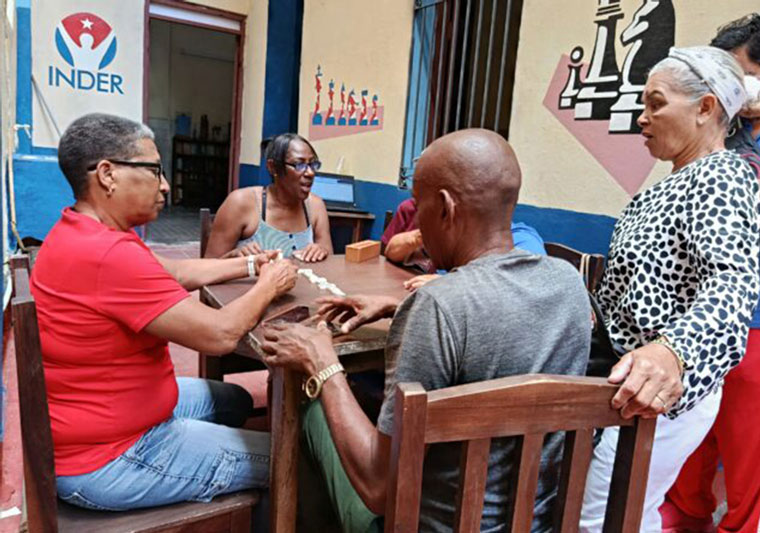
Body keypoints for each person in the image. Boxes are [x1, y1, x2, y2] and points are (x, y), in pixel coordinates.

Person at [260, 129, 591, 532]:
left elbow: (379, 487)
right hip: (533, 524)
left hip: (422, 524)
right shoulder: (568, 284)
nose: (415, 220)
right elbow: (499, 318)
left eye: (419, 206)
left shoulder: (437, 307)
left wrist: (322, 361)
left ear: (447, 208)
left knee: (309, 404)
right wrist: (398, 305)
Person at [30, 113, 298, 512]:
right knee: (288, 456)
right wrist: (270, 285)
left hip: (98, 418)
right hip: (110, 457)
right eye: (154, 170)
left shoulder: (85, 232)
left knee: (235, 401)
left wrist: (248, 266)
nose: (166, 185)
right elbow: (220, 335)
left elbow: (174, 271)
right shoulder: (108, 255)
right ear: (107, 174)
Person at [578, 46, 760, 532]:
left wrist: (674, 353)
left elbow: (733, 279)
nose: (643, 118)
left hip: (657, 388)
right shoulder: (670, 184)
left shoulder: (722, 176)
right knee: (626, 513)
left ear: (706, 108)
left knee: (599, 518)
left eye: (655, 103)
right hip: (627, 382)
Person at [664, 15, 760, 533]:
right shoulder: (724, 120)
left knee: (752, 469)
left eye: (743, 73)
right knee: (685, 460)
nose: (735, 88)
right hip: (700, 316)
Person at [204, 133, 333, 262]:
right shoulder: (240, 203)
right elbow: (207, 268)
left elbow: (331, 262)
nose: (310, 173)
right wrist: (235, 257)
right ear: (272, 167)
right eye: (299, 165)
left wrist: (321, 251)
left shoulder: (315, 206)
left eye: (313, 164)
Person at [382, 198, 547, 291]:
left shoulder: (523, 240)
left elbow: (525, 287)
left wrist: (449, 285)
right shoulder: (454, 234)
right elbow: (390, 250)